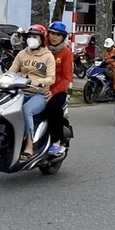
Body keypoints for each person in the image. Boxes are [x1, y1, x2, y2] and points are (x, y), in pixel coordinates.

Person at [8, 23, 55, 162]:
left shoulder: (48, 56)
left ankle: (29, 145)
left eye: (35, 36)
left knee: (25, 110)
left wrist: (40, 82)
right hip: (20, 91)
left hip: (39, 94)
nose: (31, 39)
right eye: (29, 36)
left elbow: (51, 78)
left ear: (41, 39)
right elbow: (12, 71)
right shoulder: (22, 54)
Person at [43, 21, 73, 156]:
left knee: (53, 108)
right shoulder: (41, 49)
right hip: (37, 87)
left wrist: (53, 91)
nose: (54, 37)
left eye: (58, 35)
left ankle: (56, 142)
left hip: (57, 91)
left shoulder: (66, 53)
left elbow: (67, 78)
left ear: (63, 37)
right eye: (52, 33)